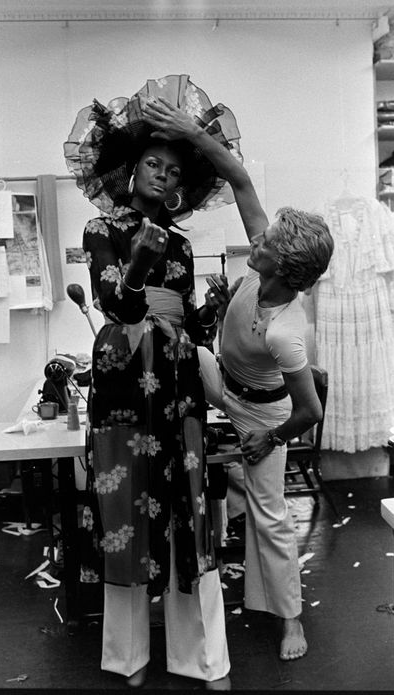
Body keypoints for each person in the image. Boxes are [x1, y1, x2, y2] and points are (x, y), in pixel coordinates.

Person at [64, 75, 245, 690]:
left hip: (177, 380)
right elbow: (118, 305)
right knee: (125, 514)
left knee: (190, 514)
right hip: (122, 377)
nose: (164, 175)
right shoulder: (101, 230)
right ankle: (126, 656)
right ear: (130, 168)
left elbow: (182, 316)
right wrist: (140, 260)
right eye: (152, 163)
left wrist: (210, 324)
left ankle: (203, 657)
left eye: (173, 168)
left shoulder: (185, 245)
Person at [144, 97, 334, 662]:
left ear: (285, 270)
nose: (257, 241)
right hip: (221, 379)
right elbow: (238, 176)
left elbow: (311, 412)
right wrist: (190, 133)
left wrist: (269, 438)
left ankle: (290, 619)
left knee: (270, 513)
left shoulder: (286, 331)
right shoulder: (265, 254)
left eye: (266, 246)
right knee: (176, 351)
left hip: (267, 413)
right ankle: (202, 529)